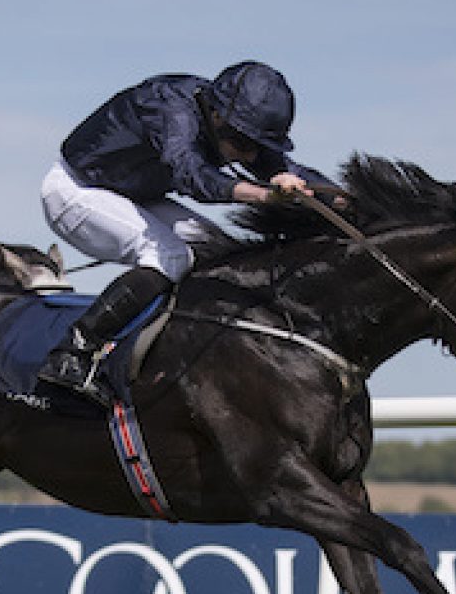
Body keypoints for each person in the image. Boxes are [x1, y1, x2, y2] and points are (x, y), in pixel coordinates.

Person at [35, 61, 338, 403]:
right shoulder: (171, 111)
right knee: (172, 255)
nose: (250, 155)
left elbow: (284, 169)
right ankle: (71, 349)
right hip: (74, 189)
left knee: (212, 249)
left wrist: (339, 198)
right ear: (217, 115)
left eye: (258, 145)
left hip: (134, 195)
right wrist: (264, 195)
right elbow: (192, 176)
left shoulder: (227, 117)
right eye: (242, 143)